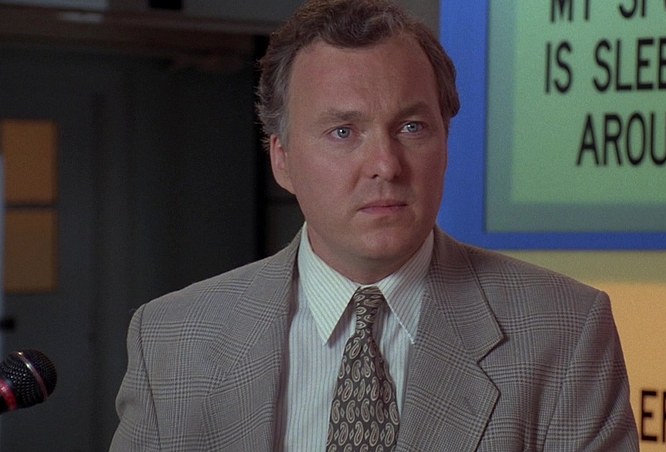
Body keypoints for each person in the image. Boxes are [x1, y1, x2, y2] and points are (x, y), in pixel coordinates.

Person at [110, 0, 639, 450]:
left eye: (411, 127)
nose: (385, 164)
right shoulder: (171, 341)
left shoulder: (563, 332)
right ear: (282, 160)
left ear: (446, 143)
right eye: (343, 131)